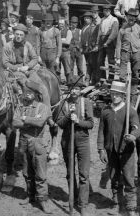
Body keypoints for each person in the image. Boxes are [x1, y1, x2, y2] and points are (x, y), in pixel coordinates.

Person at [97, 80, 140, 216]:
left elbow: (137, 128)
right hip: (111, 151)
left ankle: (131, 207)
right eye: (113, 94)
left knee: (128, 178)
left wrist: (132, 136)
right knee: (114, 178)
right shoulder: (106, 111)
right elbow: (100, 132)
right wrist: (101, 149)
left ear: (123, 96)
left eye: (118, 94)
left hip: (126, 151)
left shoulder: (130, 110)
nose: (115, 96)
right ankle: (117, 203)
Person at [56, 77, 94, 216]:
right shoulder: (63, 103)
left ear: (80, 90)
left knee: (84, 174)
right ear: (69, 90)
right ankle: (73, 197)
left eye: (77, 89)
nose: (74, 91)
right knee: (70, 172)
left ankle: (82, 203)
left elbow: (91, 124)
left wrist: (78, 121)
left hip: (83, 140)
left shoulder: (86, 102)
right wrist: (68, 116)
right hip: (67, 140)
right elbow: (59, 123)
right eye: (72, 88)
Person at [12, 80, 52, 213]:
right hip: (23, 142)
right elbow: (14, 123)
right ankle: (30, 196)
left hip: (37, 142)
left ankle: (43, 200)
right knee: (26, 172)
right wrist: (30, 121)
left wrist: (24, 119)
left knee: (40, 173)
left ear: (36, 94)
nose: (27, 95)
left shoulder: (43, 107)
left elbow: (40, 123)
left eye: (30, 93)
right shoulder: (20, 106)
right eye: (26, 92)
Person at [115, 8, 140, 81]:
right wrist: (117, 57)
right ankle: (121, 90)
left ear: (136, 18)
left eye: (133, 17)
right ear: (127, 17)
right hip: (125, 51)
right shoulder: (122, 29)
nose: (131, 18)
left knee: (135, 72)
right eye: (130, 16)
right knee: (122, 73)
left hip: (137, 53)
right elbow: (118, 43)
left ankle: (133, 91)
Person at [96, 5, 119, 75]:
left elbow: (114, 32)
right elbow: (99, 32)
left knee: (111, 61)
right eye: (104, 10)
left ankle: (111, 79)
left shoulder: (114, 19)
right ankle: (102, 79)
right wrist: (97, 43)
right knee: (100, 61)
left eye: (107, 10)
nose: (106, 11)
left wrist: (108, 42)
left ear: (110, 11)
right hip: (102, 42)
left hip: (110, 43)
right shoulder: (102, 20)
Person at [81, 10, 100, 85]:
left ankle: (91, 80)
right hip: (85, 49)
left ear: (91, 19)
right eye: (85, 18)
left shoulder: (93, 27)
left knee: (92, 64)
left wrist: (92, 46)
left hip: (91, 48)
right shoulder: (84, 27)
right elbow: (82, 38)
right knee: (88, 64)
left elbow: (93, 38)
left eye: (88, 18)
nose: (86, 19)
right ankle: (89, 80)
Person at [69, 16, 85, 80]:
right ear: (71, 23)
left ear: (77, 23)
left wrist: (81, 48)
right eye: (73, 23)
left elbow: (82, 40)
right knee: (71, 67)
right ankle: (71, 80)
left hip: (78, 50)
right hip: (71, 50)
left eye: (75, 23)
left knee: (80, 67)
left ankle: (80, 80)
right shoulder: (69, 31)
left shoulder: (80, 31)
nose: (74, 24)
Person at [58, 18, 74, 83]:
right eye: (59, 23)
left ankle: (69, 83)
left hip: (65, 52)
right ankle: (58, 83)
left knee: (67, 69)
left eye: (62, 24)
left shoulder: (68, 31)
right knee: (57, 69)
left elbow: (67, 42)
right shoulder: (56, 31)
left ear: (64, 24)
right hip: (57, 53)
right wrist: (63, 40)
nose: (60, 25)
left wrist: (58, 41)